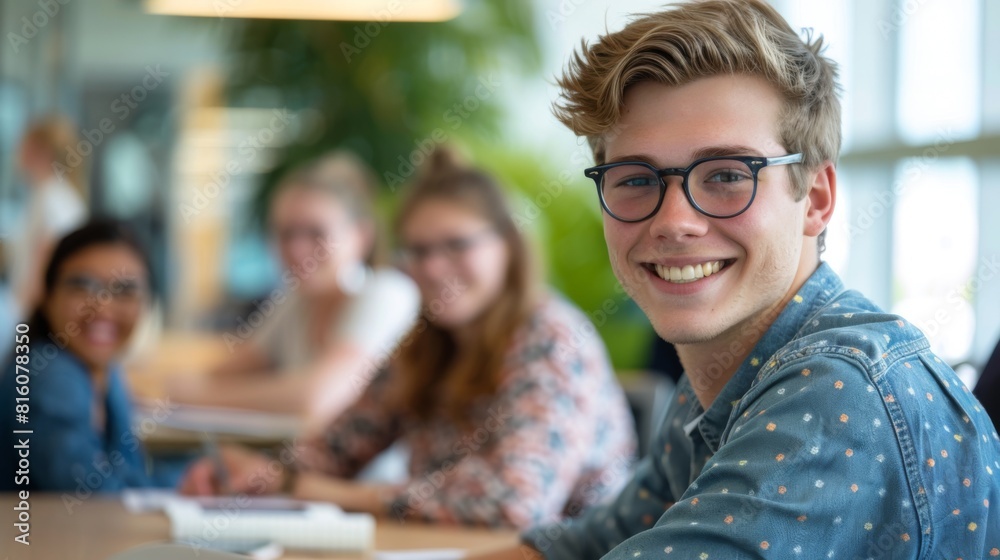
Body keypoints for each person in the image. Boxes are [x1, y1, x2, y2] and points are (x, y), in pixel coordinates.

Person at [473, 1, 1000, 558]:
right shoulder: (724, 370)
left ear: (816, 200)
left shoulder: (840, 390)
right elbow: (576, 548)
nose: (674, 221)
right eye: (635, 179)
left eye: (727, 175)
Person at [179, 147, 637, 529]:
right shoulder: (425, 343)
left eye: (456, 245)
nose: (433, 267)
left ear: (508, 245)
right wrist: (252, 474)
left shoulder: (550, 337)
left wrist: (317, 491)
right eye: (417, 250)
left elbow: (513, 502)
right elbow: (335, 449)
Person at [169, 151, 420, 433]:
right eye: (286, 233)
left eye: (316, 232)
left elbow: (318, 396)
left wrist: (195, 397)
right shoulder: (294, 300)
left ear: (360, 236)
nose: (297, 249)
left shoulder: (386, 293)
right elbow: (220, 373)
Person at [0, 220, 182, 492]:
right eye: (82, 286)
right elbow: (93, 494)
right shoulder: (51, 375)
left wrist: (201, 471)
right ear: (47, 296)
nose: (103, 307)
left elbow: (127, 475)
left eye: (125, 291)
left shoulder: (108, 373)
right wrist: (189, 479)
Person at [3, 116, 88, 327]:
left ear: (40, 151)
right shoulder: (46, 194)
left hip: (34, 317)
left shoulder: (53, 197)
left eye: (24, 145)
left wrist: (23, 318)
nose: (17, 152)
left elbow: (48, 259)